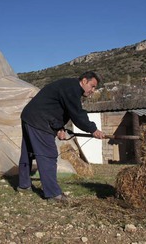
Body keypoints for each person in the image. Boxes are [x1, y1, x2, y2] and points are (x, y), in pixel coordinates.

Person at [18, 71, 105, 201]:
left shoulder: (68, 86)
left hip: (30, 117)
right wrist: (93, 129)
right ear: (84, 81)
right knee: (49, 154)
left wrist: (59, 128)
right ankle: (53, 194)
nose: (93, 90)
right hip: (39, 120)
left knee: (28, 153)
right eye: (92, 86)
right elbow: (77, 114)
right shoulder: (73, 88)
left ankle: (24, 185)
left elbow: (57, 108)